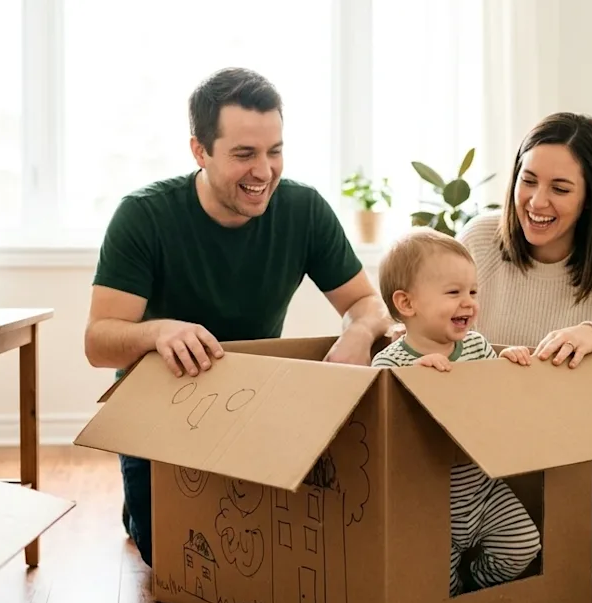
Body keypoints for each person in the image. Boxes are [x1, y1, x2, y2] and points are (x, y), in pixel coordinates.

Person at [84, 68, 392, 567]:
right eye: (244, 154)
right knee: (176, 555)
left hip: (252, 404)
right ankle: (139, 499)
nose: (264, 171)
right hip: (161, 409)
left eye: (275, 151)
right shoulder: (143, 216)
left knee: (264, 545)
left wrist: (359, 330)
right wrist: (160, 330)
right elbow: (98, 343)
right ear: (200, 151)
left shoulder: (304, 210)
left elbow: (369, 304)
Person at [456, 112, 592, 582]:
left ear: (591, 195)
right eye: (528, 180)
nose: (537, 202)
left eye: (560, 188)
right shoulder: (479, 239)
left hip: (575, 438)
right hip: (490, 426)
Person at [370, 227, 542, 596]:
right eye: (454, 293)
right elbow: (383, 431)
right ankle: (453, 597)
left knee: (524, 545)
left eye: (473, 292)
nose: (468, 302)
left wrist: (508, 363)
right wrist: (413, 383)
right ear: (407, 303)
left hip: (483, 490)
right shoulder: (389, 364)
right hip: (426, 503)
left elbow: (500, 403)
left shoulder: (477, 347)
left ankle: (474, 587)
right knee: (435, 587)